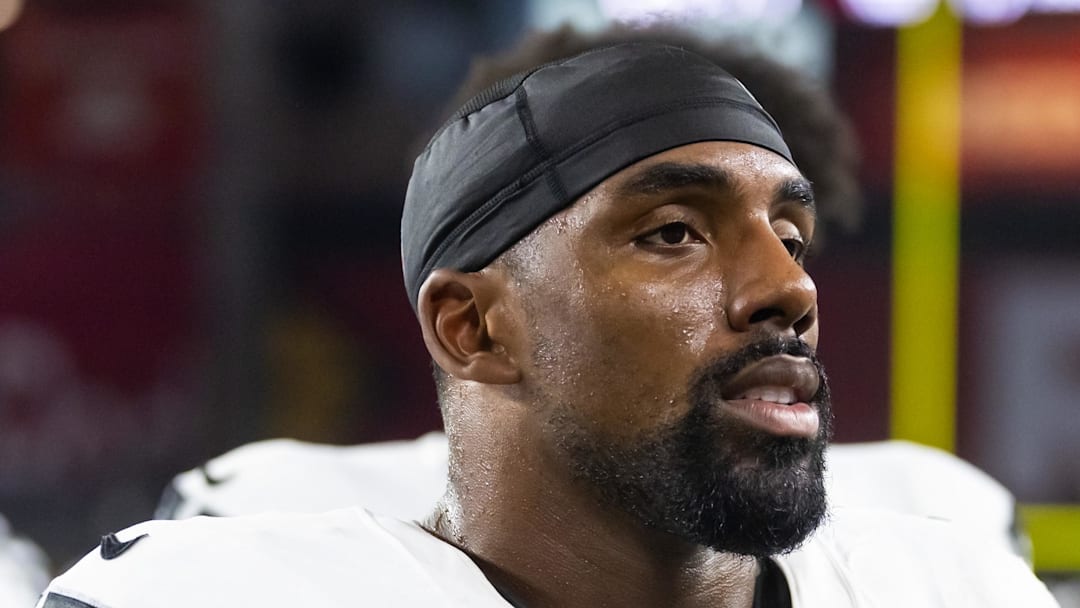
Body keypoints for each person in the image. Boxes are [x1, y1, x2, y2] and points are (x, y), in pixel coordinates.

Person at [39, 39, 1056, 607]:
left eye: (790, 233)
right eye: (673, 233)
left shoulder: (946, 583)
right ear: (473, 328)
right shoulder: (247, 588)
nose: (787, 287)